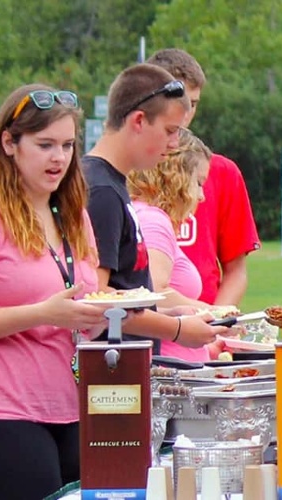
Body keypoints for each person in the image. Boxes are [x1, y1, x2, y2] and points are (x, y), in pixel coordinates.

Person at [0, 84, 113, 498]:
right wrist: (42, 313)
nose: (59, 158)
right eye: (44, 145)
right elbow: (48, 310)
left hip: (73, 406)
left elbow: (86, 300)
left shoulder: (73, 214)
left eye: (68, 145)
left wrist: (101, 317)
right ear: (9, 143)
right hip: (2, 411)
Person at [84, 63, 226, 349]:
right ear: (138, 121)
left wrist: (167, 313)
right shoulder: (101, 190)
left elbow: (122, 294)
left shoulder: (112, 185)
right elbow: (96, 299)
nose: (175, 143)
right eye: (170, 130)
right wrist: (174, 329)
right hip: (110, 375)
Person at [147, 48, 260, 307]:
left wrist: (215, 323)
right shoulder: (129, 170)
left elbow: (236, 271)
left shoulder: (220, 172)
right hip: (145, 327)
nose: (185, 113)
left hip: (202, 328)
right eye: (178, 101)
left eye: (193, 103)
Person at [127, 129, 222, 361]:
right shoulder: (154, 220)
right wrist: (211, 311)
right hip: (173, 370)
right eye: (198, 183)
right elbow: (155, 293)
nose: (201, 196)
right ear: (176, 177)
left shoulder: (142, 214)